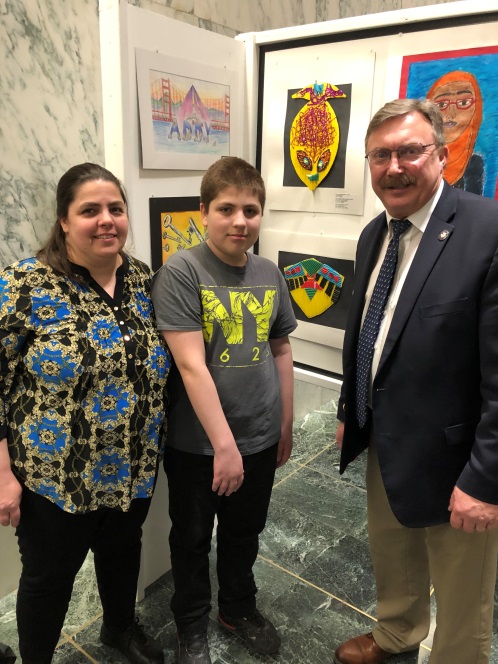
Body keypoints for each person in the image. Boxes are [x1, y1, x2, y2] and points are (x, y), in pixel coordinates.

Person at [334, 99, 498, 664]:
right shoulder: (375, 234)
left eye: (410, 151)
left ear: (443, 155)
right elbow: (365, 329)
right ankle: (397, 634)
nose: (394, 167)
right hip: (386, 432)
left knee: (461, 585)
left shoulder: (487, 229)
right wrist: (346, 408)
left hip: (460, 455)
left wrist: (485, 479)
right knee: (393, 547)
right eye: (380, 155)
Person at [0, 163, 171, 664]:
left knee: (122, 555)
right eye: (89, 210)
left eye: (115, 209)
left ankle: (118, 630)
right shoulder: (24, 285)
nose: (106, 220)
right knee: (49, 579)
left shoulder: (141, 277)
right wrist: (4, 474)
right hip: (55, 476)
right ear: (63, 221)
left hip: (132, 468)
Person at [151, 156, 297, 664]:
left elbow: (280, 349)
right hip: (198, 445)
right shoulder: (182, 271)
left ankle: (237, 606)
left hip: (257, 436)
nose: (240, 221)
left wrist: (284, 423)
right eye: (227, 208)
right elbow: (191, 367)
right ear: (204, 211)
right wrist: (224, 448)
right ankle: (191, 621)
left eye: (251, 210)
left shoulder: (268, 272)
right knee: (191, 538)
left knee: (244, 531)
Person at [426, 70, 483, 195]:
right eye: (441, 104)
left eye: (463, 103)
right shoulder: (418, 160)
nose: (451, 114)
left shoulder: (474, 164)